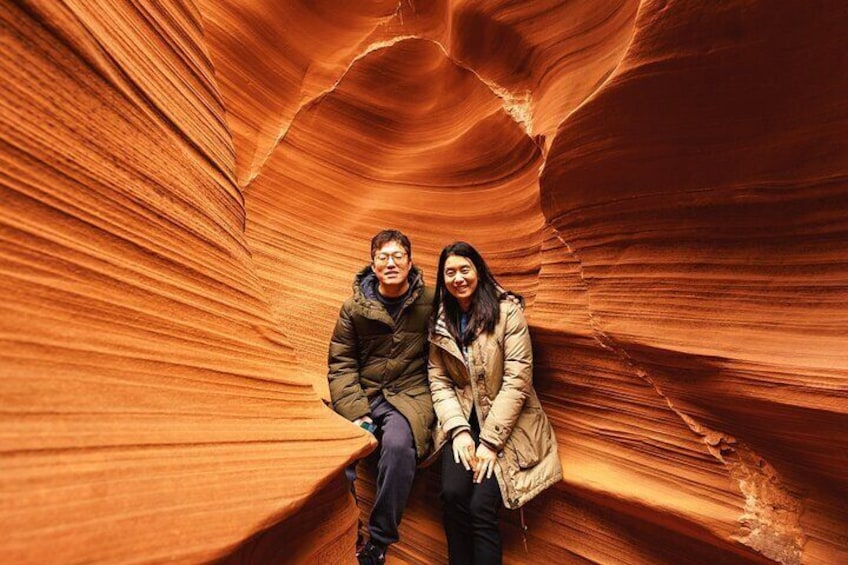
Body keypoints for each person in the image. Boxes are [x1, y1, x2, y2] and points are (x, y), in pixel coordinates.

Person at [428, 241, 562, 565]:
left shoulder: (507, 313)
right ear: (442, 280)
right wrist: (459, 430)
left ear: (478, 271)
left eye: (464, 269)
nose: (458, 278)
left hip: (506, 424)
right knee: (452, 495)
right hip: (462, 422)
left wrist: (489, 442)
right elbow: (439, 379)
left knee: (480, 508)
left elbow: (518, 380)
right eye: (450, 272)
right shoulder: (440, 322)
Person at [327, 229, 435, 565]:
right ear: (373, 265)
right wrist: (357, 412)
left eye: (397, 256)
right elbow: (341, 363)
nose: (390, 263)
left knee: (400, 449)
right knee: (343, 451)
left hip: (409, 396)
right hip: (365, 393)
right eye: (383, 257)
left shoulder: (430, 302)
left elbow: (469, 302)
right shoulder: (354, 308)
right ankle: (349, 526)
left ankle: (379, 540)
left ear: (410, 262)